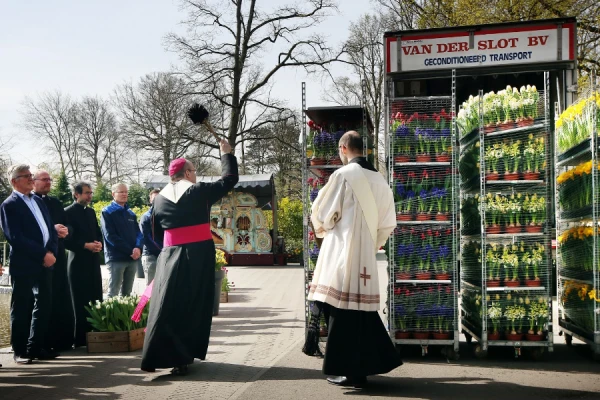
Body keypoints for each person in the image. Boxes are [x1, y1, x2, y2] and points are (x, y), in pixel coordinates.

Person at [306, 131, 402, 387]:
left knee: (339, 310)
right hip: (366, 257)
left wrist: (323, 226)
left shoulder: (343, 175)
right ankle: (360, 370)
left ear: (343, 148)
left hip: (341, 251)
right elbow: (388, 223)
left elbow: (324, 213)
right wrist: (372, 243)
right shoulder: (381, 181)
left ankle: (347, 369)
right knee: (360, 313)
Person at [141, 138, 238, 375]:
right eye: (194, 170)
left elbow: (153, 231)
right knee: (193, 304)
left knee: (166, 305)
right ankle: (183, 355)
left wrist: (167, 248)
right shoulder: (198, 191)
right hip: (197, 254)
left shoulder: (160, 199)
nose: (196, 174)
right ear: (187, 172)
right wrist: (226, 154)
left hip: (168, 255)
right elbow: (229, 180)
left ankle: (157, 356)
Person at [0, 164, 59, 364]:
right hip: (25, 263)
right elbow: (15, 237)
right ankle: (19, 350)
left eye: (31, 175)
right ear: (14, 181)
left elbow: (49, 229)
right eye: (26, 176)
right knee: (21, 306)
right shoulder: (9, 205)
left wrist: (51, 251)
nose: (30, 179)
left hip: (45, 262)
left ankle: (36, 347)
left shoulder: (38, 201)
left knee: (44, 304)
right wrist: (43, 254)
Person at [32, 170, 75, 351]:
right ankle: (41, 341)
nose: (48, 182)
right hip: (40, 257)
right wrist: (52, 229)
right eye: (44, 180)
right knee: (42, 299)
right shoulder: (31, 202)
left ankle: (62, 339)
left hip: (58, 253)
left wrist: (67, 231)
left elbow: (68, 224)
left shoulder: (55, 202)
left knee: (60, 295)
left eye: (50, 179)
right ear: (33, 182)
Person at [64, 182, 104, 347]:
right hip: (77, 261)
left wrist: (99, 244)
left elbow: (97, 231)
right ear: (76, 194)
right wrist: (84, 245)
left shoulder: (91, 211)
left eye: (91, 193)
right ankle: (79, 339)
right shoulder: (67, 212)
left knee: (95, 296)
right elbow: (67, 240)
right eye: (87, 193)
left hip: (93, 260)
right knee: (79, 300)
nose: (90, 196)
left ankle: (95, 334)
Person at [100, 183, 143, 298]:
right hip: (116, 258)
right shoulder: (107, 212)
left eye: (126, 192)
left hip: (132, 258)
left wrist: (138, 248)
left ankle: (126, 316)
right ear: (113, 194)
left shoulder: (130, 213)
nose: (124, 194)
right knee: (113, 292)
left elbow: (138, 233)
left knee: (127, 294)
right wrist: (130, 250)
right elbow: (110, 236)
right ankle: (110, 316)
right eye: (121, 192)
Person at [139, 189, 162, 285]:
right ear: (150, 200)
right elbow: (146, 238)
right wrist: (162, 249)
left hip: (163, 255)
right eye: (154, 198)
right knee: (150, 288)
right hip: (150, 256)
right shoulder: (146, 217)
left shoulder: (165, 216)